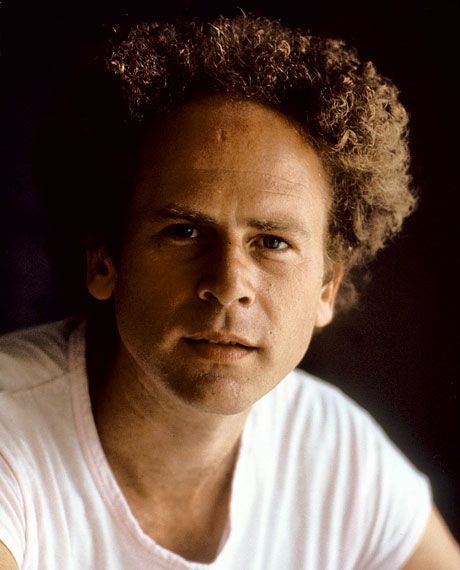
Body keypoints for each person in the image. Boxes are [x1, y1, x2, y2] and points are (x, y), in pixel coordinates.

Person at [0, 14, 459, 570]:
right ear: (104, 260)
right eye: (185, 231)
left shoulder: (339, 454)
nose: (227, 287)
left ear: (326, 286)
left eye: (271, 242)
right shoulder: (11, 429)